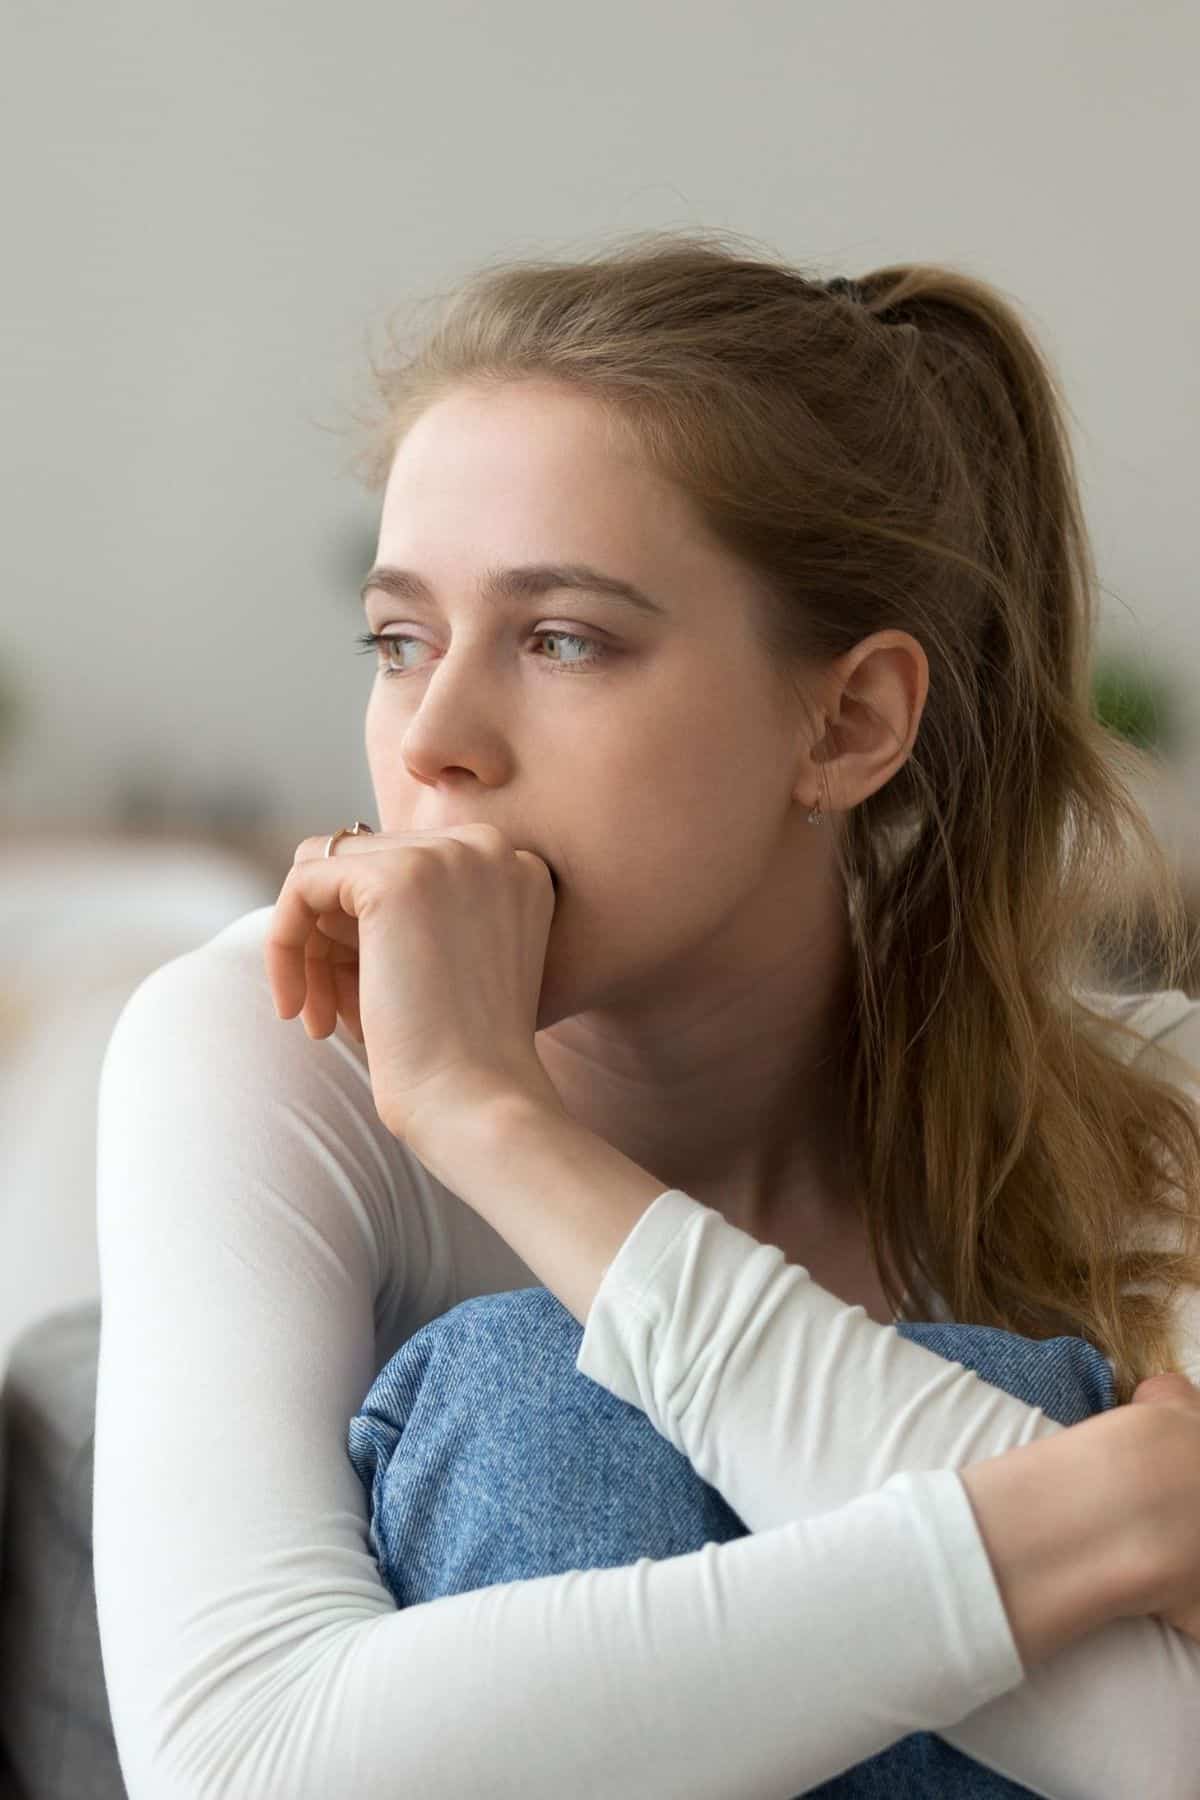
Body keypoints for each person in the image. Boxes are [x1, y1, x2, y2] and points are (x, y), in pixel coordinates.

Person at [94, 231, 1200, 1798]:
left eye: (563, 640)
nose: (438, 743)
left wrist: (528, 1151)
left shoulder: (1156, 1114)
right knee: (542, 1400)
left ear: (851, 719)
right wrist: (1074, 1517)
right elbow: (242, 1768)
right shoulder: (258, 1046)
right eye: (400, 640)